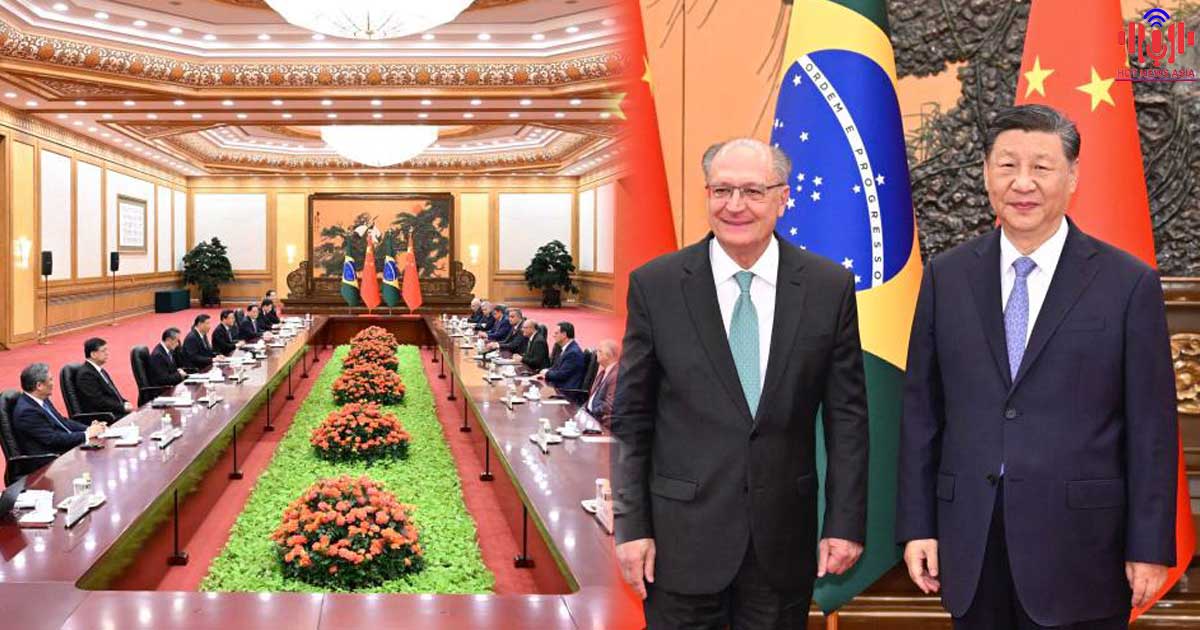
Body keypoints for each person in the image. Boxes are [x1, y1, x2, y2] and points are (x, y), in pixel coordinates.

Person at [896, 105, 1178, 630]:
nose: (1022, 183)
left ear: (1073, 176)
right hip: (971, 540)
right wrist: (917, 526)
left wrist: (1149, 545)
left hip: (1082, 548)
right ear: (986, 174)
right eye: (1007, 165)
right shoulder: (946, 277)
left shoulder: (1127, 283)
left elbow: (1152, 429)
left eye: (1041, 167)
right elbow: (921, 414)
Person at [610, 138, 869, 629]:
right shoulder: (656, 285)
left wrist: (845, 522)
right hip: (678, 543)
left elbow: (848, 418)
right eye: (722, 190)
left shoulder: (827, 287)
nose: (735, 205)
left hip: (782, 544)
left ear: (783, 197)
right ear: (706, 195)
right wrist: (630, 526)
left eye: (752, 191)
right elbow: (631, 419)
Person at [12, 363, 106, 455]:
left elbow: (62, 421)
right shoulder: (27, 412)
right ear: (39, 386)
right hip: (52, 458)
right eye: (50, 380)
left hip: (65, 448)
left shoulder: (42, 399)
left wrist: (89, 428)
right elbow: (52, 439)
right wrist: (86, 434)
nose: (53, 383)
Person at [75, 337, 133, 420]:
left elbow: (113, 392)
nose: (107, 353)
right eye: (103, 351)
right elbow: (98, 401)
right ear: (93, 354)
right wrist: (122, 407)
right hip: (104, 417)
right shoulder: (86, 375)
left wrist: (124, 402)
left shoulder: (100, 370)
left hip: (114, 411)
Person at [538, 321, 586, 402]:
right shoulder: (566, 349)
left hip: (565, 392)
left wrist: (546, 373)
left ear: (564, 335)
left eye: (556, 333)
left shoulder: (573, 353)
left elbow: (562, 375)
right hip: (558, 387)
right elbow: (556, 368)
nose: (553, 335)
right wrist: (546, 371)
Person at [583, 339, 620, 428]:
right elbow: (592, 397)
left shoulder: (616, 375)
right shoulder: (603, 372)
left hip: (601, 422)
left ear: (608, 355)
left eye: (600, 351)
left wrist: (590, 413)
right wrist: (582, 410)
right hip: (590, 416)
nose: (596, 354)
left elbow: (609, 406)